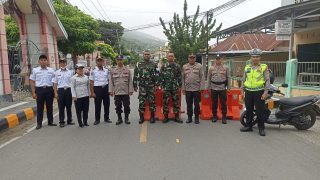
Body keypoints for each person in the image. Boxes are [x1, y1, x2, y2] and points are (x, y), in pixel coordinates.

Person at [240, 48, 270, 136]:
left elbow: (267, 80)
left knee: (259, 110)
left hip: (259, 92)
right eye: (253, 57)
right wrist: (242, 91)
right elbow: (243, 79)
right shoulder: (247, 67)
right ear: (251, 58)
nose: (255, 58)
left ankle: (261, 128)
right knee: (249, 109)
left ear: (260, 58)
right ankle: (249, 126)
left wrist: (265, 93)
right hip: (248, 92)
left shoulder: (264, 67)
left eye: (257, 57)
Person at [30, 54, 56, 130]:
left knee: (49, 106)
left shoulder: (51, 70)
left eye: (45, 60)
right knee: (40, 107)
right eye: (41, 60)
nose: (43, 62)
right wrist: (33, 92)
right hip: (39, 90)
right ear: (39, 61)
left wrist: (55, 91)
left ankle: (50, 122)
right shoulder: (35, 70)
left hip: (49, 90)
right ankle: (39, 123)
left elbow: (55, 81)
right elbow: (32, 81)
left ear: (47, 61)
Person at [133, 50, 158, 124]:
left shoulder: (154, 64)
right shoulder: (139, 64)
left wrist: (156, 85)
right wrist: (135, 85)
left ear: (150, 56)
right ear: (143, 55)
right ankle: (141, 117)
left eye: (148, 54)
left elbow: (157, 75)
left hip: (151, 86)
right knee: (141, 102)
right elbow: (135, 75)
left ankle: (152, 117)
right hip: (142, 87)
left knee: (152, 102)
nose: (146, 55)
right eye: (145, 54)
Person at [109, 55, 134, 125]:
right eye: (118, 60)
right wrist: (110, 91)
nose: (119, 61)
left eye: (121, 60)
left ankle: (126, 118)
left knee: (126, 105)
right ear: (116, 61)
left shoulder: (127, 70)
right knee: (118, 106)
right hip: (117, 92)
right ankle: (119, 119)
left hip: (125, 92)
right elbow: (111, 81)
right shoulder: (113, 70)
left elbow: (130, 81)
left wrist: (131, 90)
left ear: (123, 60)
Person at [206, 54, 231, 124]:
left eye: (219, 59)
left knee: (223, 103)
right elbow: (208, 78)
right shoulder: (211, 68)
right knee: (214, 103)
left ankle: (224, 117)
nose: (218, 60)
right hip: (213, 87)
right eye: (217, 59)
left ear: (221, 59)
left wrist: (229, 87)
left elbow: (228, 77)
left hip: (222, 88)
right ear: (215, 60)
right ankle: (214, 116)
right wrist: (208, 87)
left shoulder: (226, 68)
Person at [182, 53, 205, 124]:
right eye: (190, 57)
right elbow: (183, 78)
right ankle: (189, 117)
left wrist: (202, 87)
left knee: (197, 104)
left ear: (195, 58)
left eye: (193, 58)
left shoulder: (199, 66)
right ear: (188, 58)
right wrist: (183, 88)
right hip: (188, 89)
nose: (192, 59)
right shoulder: (184, 66)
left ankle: (197, 117)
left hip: (196, 89)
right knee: (189, 104)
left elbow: (202, 77)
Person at [160, 51, 183, 123]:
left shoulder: (177, 66)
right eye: (169, 56)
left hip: (174, 87)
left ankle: (176, 117)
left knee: (176, 102)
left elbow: (179, 76)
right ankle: (166, 117)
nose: (171, 57)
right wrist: (162, 86)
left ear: (174, 57)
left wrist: (180, 85)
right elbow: (161, 77)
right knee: (165, 102)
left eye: (172, 56)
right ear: (167, 57)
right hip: (166, 87)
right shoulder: (164, 66)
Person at [53, 58, 75, 127]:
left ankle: (69, 120)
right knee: (61, 107)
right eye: (61, 62)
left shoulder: (70, 72)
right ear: (59, 63)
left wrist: (73, 93)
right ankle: (61, 121)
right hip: (61, 91)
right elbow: (55, 83)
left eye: (64, 62)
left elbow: (72, 83)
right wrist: (56, 93)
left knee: (69, 106)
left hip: (68, 90)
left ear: (66, 63)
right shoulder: (56, 72)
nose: (62, 63)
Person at [90, 57, 111, 125]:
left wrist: (109, 90)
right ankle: (97, 119)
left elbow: (108, 80)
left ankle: (106, 118)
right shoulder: (93, 70)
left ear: (103, 62)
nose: (100, 62)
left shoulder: (106, 70)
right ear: (96, 62)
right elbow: (91, 82)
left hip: (105, 88)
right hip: (97, 89)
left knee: (107, 104)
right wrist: (92, 92)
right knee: (97, 105)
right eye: (98, 61)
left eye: (101, 61)